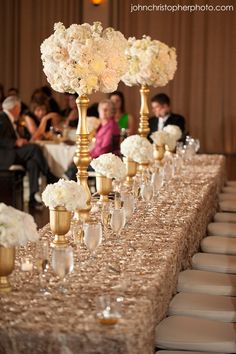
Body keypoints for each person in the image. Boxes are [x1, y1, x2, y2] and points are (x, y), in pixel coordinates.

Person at [0, 96, 58, 209]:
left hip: (12, 153)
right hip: (5, 156)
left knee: (33, 162)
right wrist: (15, 142)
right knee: (34, 148)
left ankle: (32, 198)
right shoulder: (2, 117)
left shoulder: (7, 118)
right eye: (19, 108)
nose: (20, 111)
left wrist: (19, 140)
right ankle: (49, 175)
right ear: (15, 107)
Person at [65, 99, 120, 180]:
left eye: (107, 109)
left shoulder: (111, 126)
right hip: (98, 159)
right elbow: (96, 147)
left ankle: (71, 186)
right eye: (102, 109)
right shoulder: (102, 125)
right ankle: (70, 183)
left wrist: (89, 157)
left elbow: (104, 149)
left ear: (111, 112)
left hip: (105, 162)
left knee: (77, 167)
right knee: (76, 162)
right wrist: (87, 155)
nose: (104, 111)